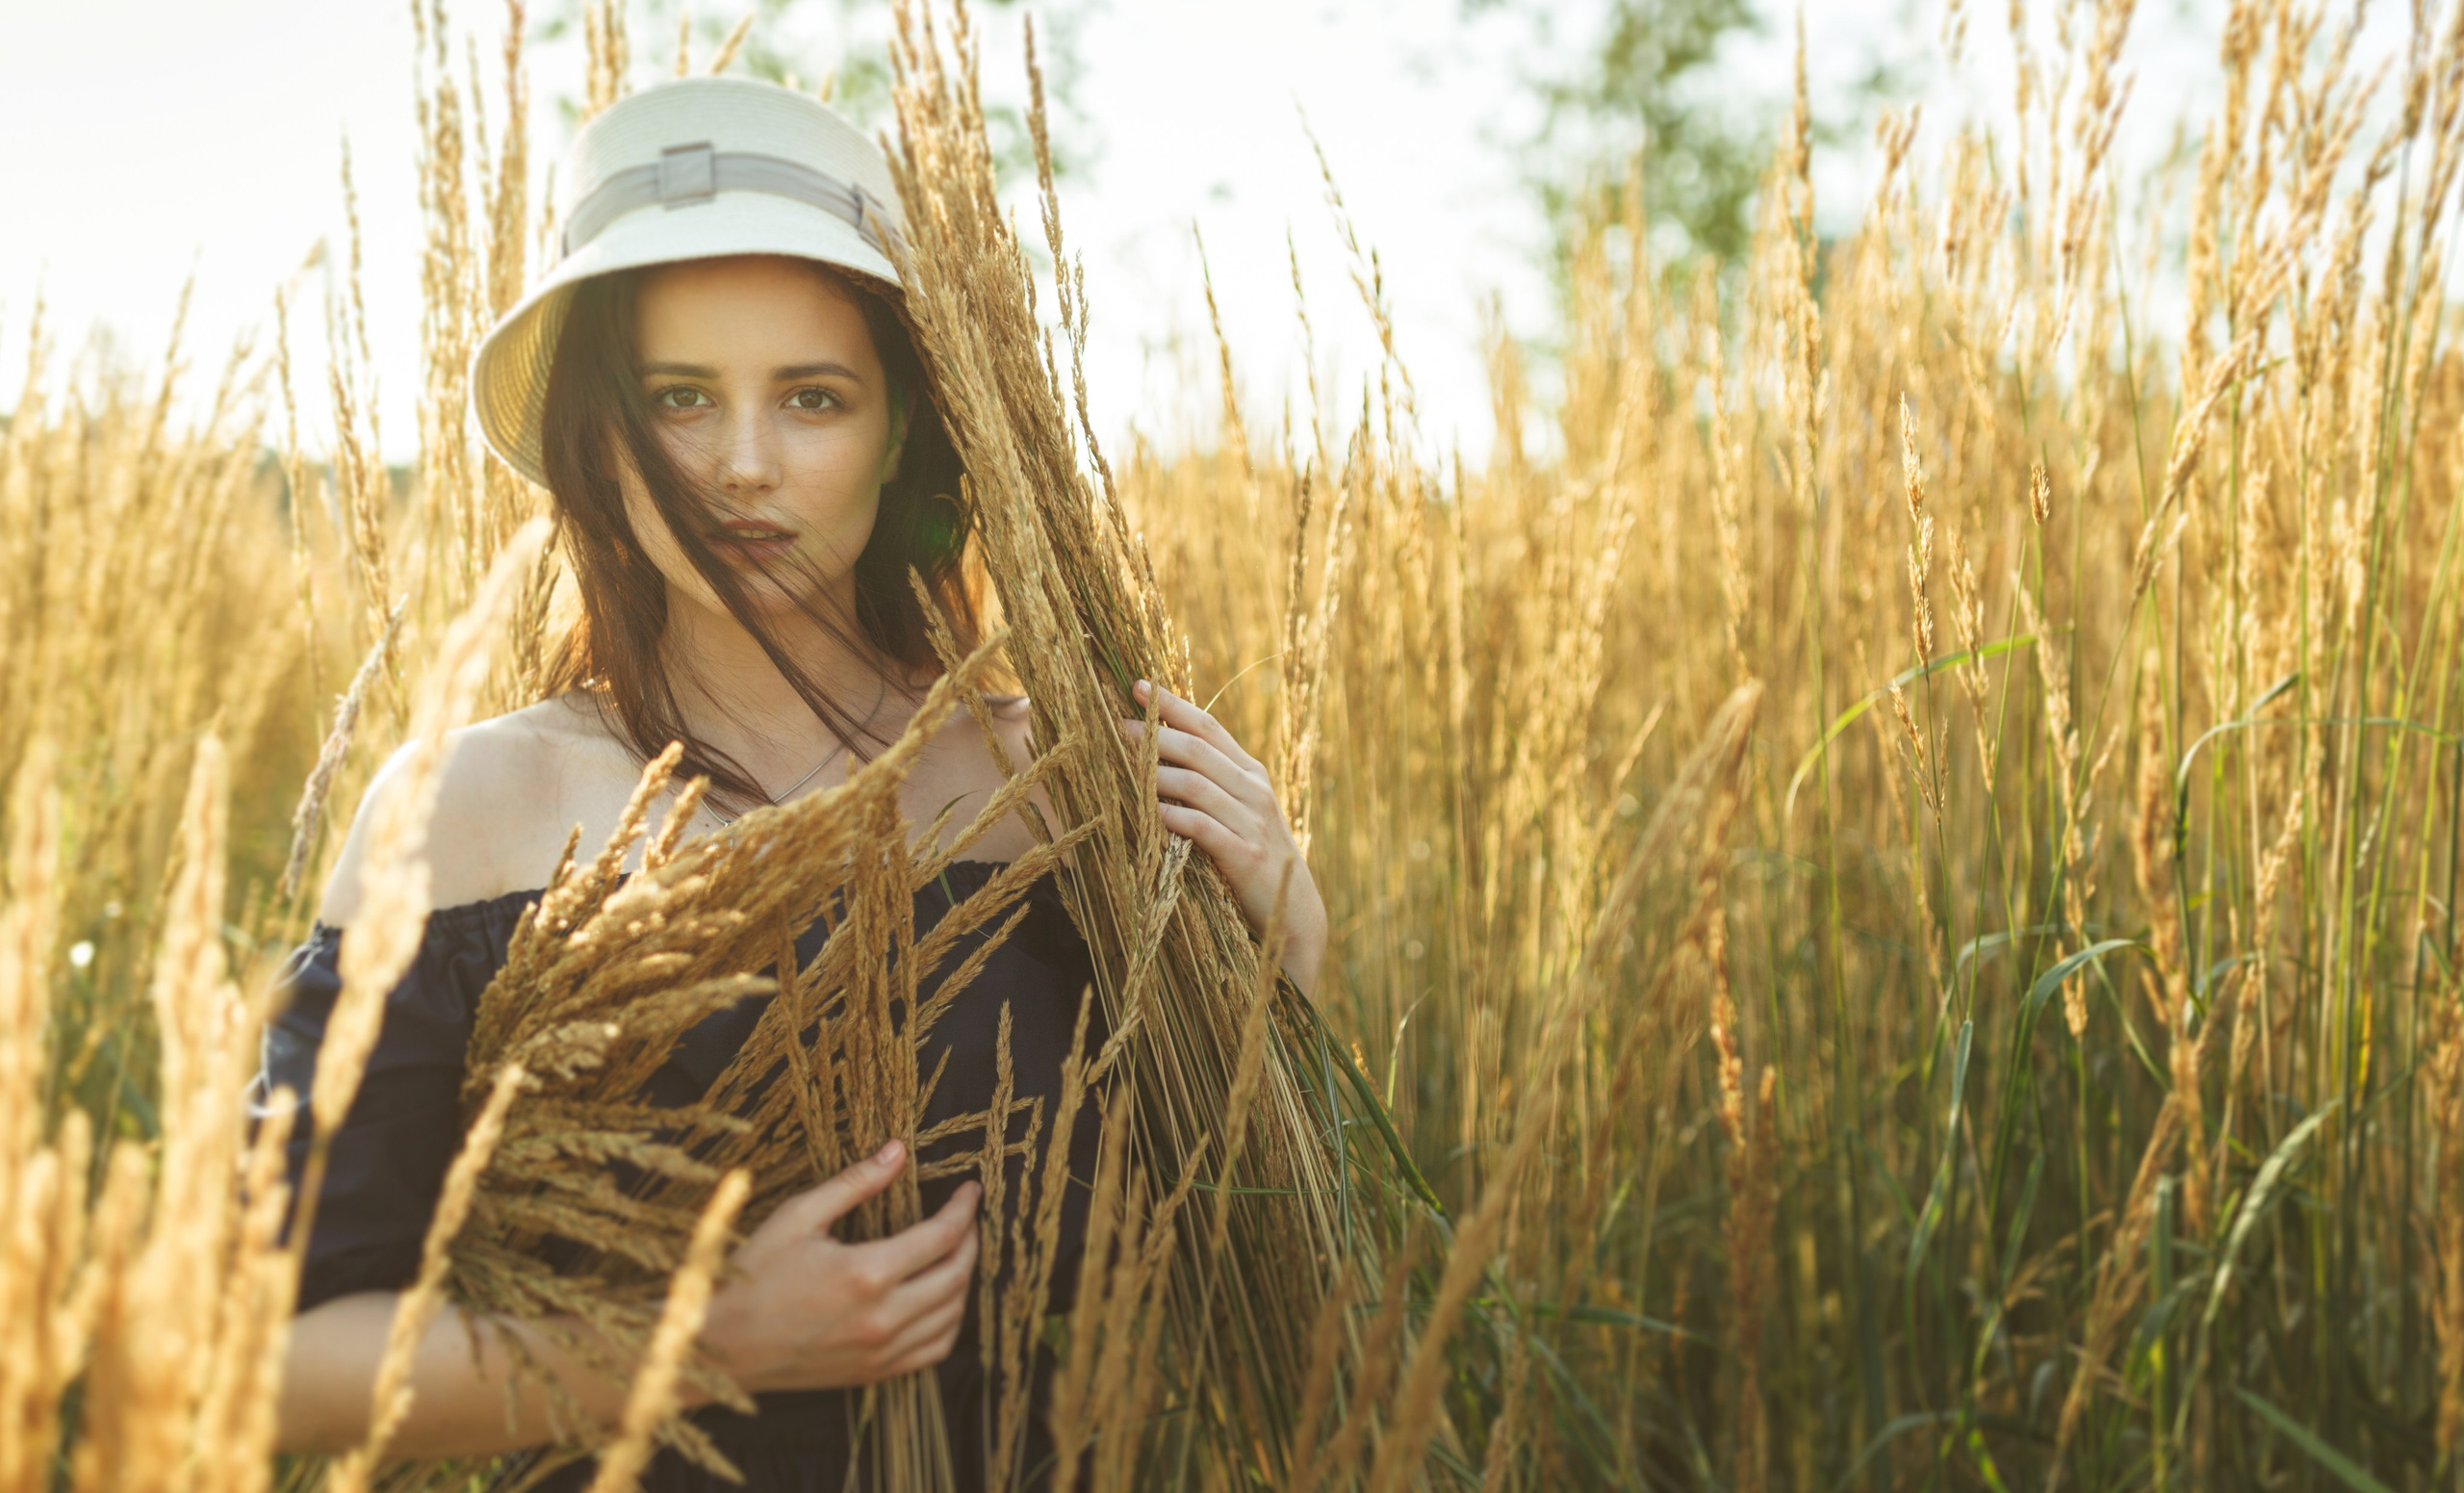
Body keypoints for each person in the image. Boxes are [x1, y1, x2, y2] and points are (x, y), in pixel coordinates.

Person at [263, 74, 1327, 1489]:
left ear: (900, 434)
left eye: (812, 399)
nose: (743, 468)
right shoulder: (464, 815)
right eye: (681, 400)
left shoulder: (1059, 780)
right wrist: (695, 1343)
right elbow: (280, 1360)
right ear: (599, 435)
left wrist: (1285, 924)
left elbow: (1252, 1222)